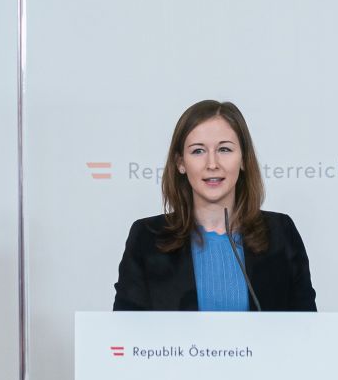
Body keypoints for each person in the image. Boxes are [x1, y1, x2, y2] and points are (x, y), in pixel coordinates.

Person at [113, 99, 316, 311]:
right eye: (198, 151)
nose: (212, 164)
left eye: (225, 149)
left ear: (244, 159)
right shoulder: (147, 237)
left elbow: (306, 330)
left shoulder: (280, 232)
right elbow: (125, 332)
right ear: (180, 163)